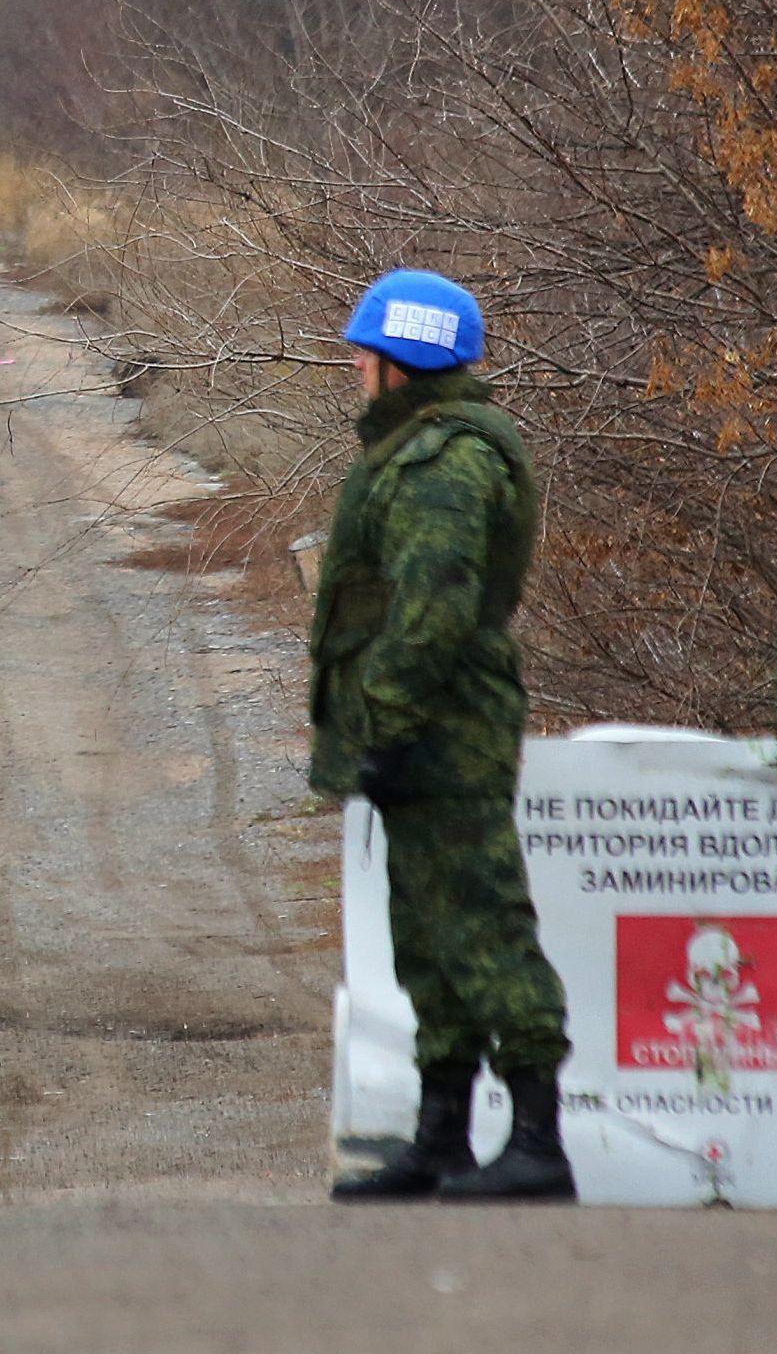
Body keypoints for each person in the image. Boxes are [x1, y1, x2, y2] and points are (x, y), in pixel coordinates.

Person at [314, 269, 576, 1202]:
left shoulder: (445, 464)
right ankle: (442, 1137)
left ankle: (539, 1142)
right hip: (426, 726)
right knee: (426, 939)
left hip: (443, 728)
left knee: (482, 927)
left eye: (365, 352)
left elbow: (430, 612)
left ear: (399, 363)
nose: (354, 365)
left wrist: (384, 721)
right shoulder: (419, 450)